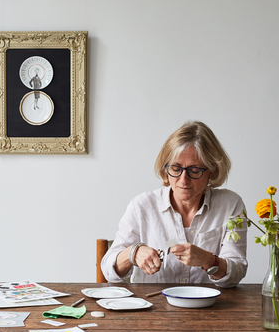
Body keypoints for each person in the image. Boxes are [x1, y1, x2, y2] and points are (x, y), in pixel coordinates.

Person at [101, 121, 247, 288]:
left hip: (210, 309)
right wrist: (133, 253)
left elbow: (237, 273)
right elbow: (108, 270)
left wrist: (208, 260)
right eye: (176, 169)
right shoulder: (142, 206)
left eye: (194, 170)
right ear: (166, 169)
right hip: (152, 308)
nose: (183, 180)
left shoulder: (230, 204)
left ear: (212, 170)